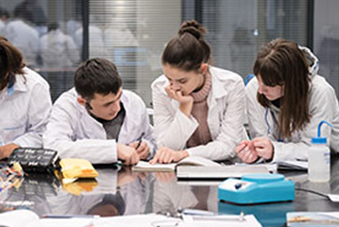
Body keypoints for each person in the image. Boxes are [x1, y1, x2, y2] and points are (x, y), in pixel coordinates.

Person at [150, 20, 246, 163]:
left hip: (226, 166)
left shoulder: (232, 84)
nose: (174, 87)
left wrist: (185, 154)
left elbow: (228, 145)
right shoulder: (159, 88)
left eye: (182, 81)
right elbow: (166, 147)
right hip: (181, 168)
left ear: (202, 69)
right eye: (169, 79)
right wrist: (184, 108)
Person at [236, 39, 339, 164]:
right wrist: (255, 153)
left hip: (328, 164)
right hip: (277, 165)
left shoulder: (320, 92)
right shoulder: (253, 88)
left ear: (289, 83)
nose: (261, 90)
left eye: (268, 85)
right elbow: (261, 138)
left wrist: (274, 150)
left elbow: (315, 148)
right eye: (259, 80)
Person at [43, 58, 156, 165]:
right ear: (82, 101)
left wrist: (147, 149)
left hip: (130, 181)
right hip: (84, 183)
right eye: (107, 104)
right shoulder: (67, 106)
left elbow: (154, 140)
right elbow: (54, 148)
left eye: (118, 97)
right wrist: (113, 150)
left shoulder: (134, 102)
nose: (116, 107)